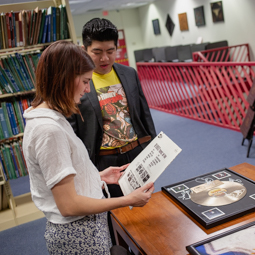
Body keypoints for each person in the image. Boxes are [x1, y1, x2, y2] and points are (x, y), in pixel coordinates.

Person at [22, 41, 154, 254]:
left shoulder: (53, 117)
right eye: (84, 81)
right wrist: (127, 200)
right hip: (79, 235)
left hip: (85, 229)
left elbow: (63, 176)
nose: (87, 89)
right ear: (64, 79)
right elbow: (69, 206)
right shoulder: (49, 130)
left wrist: (98, 176)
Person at [68, 18, 157, 198]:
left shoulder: (129, 73)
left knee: (148, 204)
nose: (105, 58)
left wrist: (154, 150)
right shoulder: (76, 82)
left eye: (110, 51)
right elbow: (73, 131)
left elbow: (144, 114)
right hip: (103, 161)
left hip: (136, 154)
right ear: (84, 49)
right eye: (97, 52)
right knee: (114, 212)